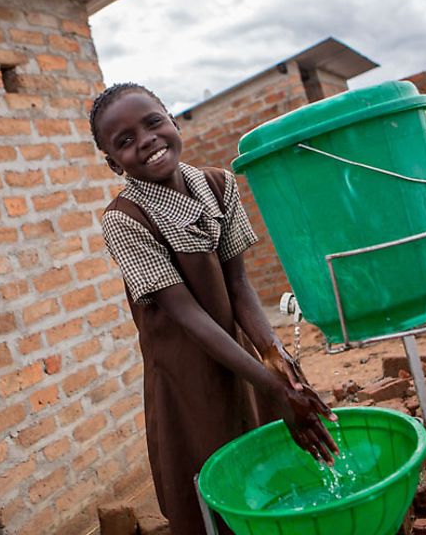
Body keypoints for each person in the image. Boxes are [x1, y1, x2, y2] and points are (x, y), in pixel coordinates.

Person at [90, 83, 339, 534]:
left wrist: (276, 360)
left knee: (268, 469)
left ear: (172, 121)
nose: (145, 140)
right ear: (113, 163)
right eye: (124, 141)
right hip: (186, 373)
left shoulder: (218, 184)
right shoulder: (124, 220)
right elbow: (186, 316)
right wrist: (274, 388)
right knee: (210, 480)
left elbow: (239, 284)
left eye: (153, 123)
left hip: (238, 353)